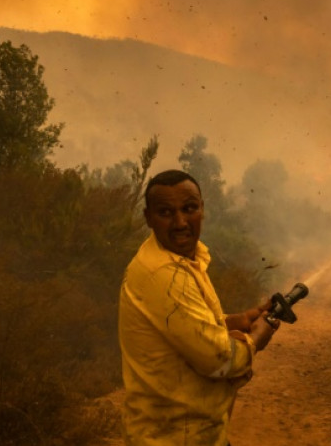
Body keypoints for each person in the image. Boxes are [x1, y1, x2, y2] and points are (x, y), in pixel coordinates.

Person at [118, 169, 278, 445]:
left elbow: (182, 327)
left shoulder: (181, 258)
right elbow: (220, 361)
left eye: (189, 208)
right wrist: (256, 339)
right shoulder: (165, 275)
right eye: (166, 212)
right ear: (149, 218)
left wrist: (235, 320)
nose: (181, 222)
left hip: (195, 434)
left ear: (202, 209)